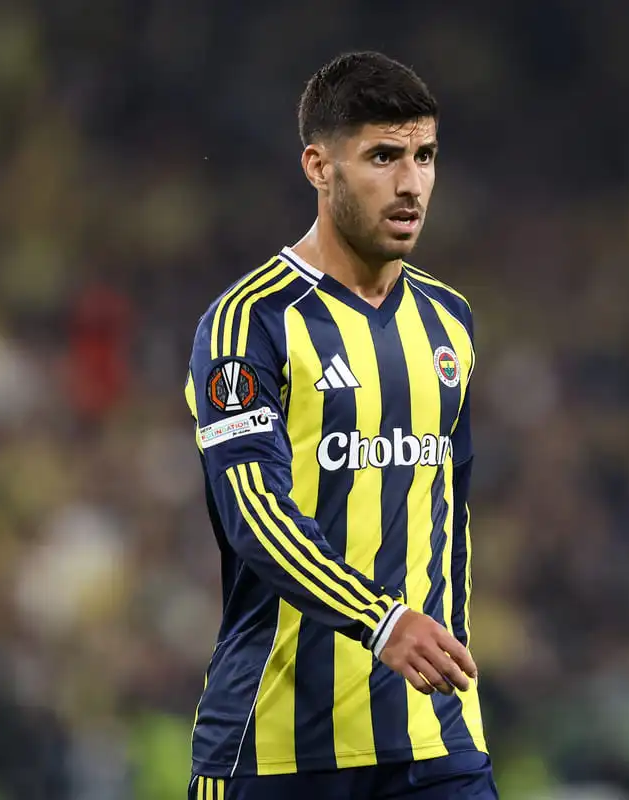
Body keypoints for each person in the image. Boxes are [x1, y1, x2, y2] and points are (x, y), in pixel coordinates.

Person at [184, 52, 495, 799]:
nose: (411, 182)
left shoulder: (449, 321)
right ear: (318, 167)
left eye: (424, 157)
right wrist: (383, 622)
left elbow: (446, 512)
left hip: (435, 743)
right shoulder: (248, 323)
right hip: (278, 750)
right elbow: (255, 518)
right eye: (383, 157)